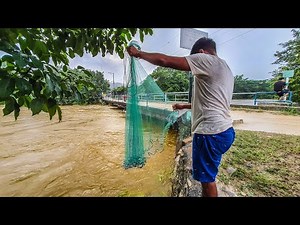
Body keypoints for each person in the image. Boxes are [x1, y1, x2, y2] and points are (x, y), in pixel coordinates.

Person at [127, 37, 235, 197]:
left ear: (201, 52)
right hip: (225, 131)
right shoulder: (225, 68)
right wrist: (183, 106)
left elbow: (165, 60)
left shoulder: (205, 59)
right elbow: (212, 102)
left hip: (209, 133)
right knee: (210, 171)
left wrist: (139, 54)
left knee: (207, 181)